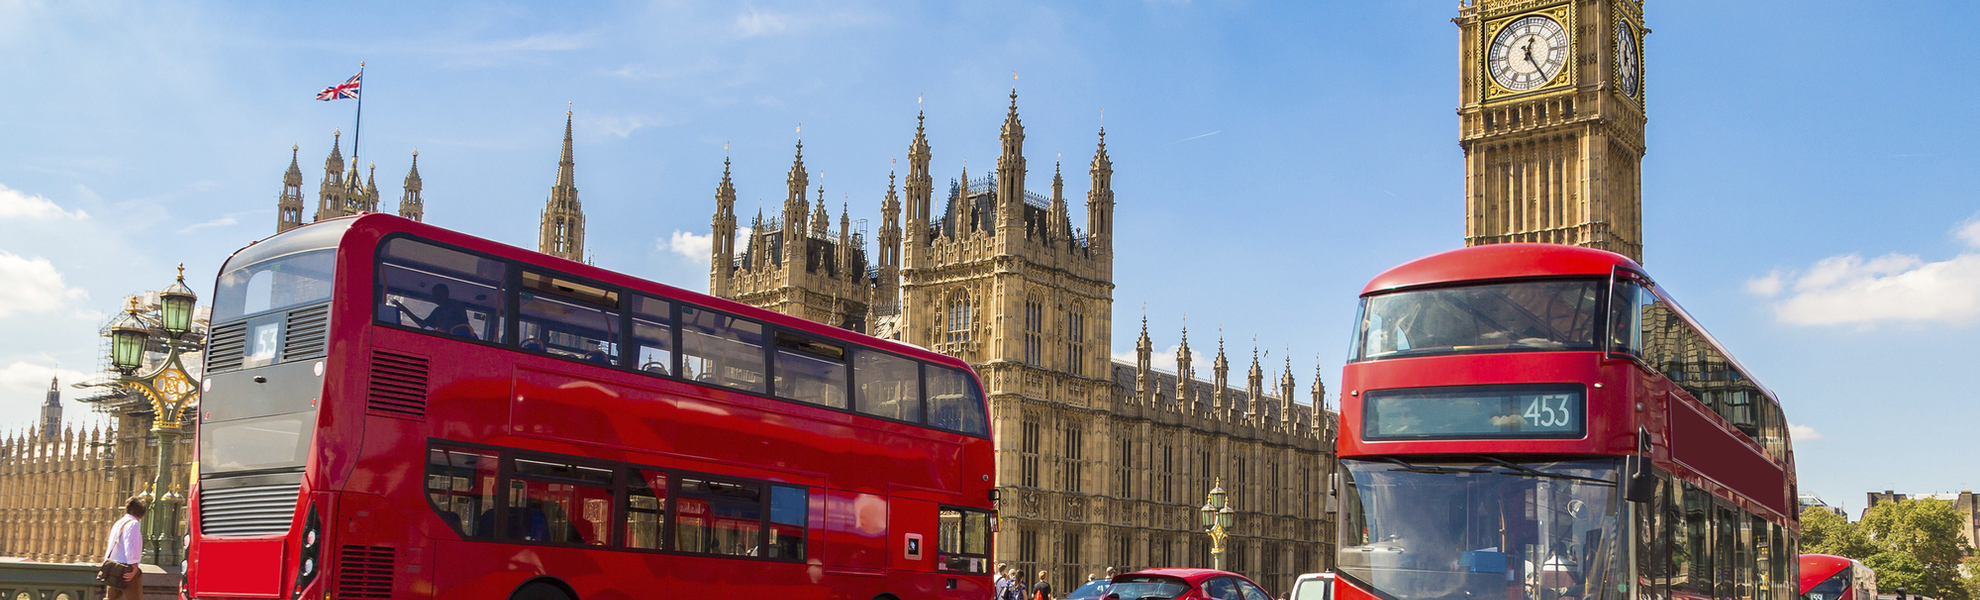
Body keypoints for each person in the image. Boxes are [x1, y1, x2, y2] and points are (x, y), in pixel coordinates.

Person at [103, 495, 147, 600]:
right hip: (126, 570)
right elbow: (131, 547)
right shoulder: (133, 524)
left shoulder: (119, 523)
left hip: (113, 567)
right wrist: (134, 567)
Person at [391, 283, 472, 337]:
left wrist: (448, 332)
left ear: (446, 294)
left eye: (438, 294)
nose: (435, 297)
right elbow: (423, 324)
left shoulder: (457, 306)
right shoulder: (438, 311)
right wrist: (404, 309)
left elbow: (465, 326)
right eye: (434, 295)